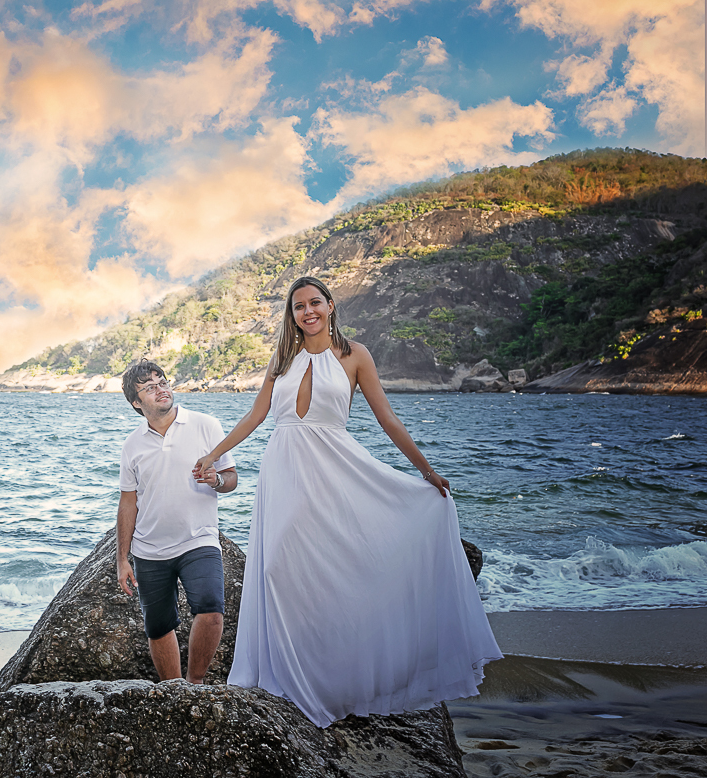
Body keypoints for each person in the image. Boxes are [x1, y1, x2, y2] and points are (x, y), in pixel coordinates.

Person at [194, 276, 502, 726]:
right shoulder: (282, 356)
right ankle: (293, 678)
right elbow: (257, 414)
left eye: (314, 302)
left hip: (335, 468)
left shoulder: (355, 355)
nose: (307, 312)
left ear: (331, 305)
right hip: (284, 471)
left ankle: (332, 679)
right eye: (298, 306)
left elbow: (386, 417)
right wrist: (214, 453)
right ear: (292, 314)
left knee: (333, 569)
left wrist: (426, 470)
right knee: (279, 566)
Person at [117, 358, 238, 684]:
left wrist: (215, 480)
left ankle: (194, 683)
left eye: (162, 381)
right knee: (158, 627)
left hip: (198, 539)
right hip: (150, 550)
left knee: (212, 612)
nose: (161, 389)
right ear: (137, 402)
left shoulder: (205, 425)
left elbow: (231, 479)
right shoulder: (132, 445)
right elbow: (128, 502)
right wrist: (122, 559)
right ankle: (173, 689)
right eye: (150, 387)